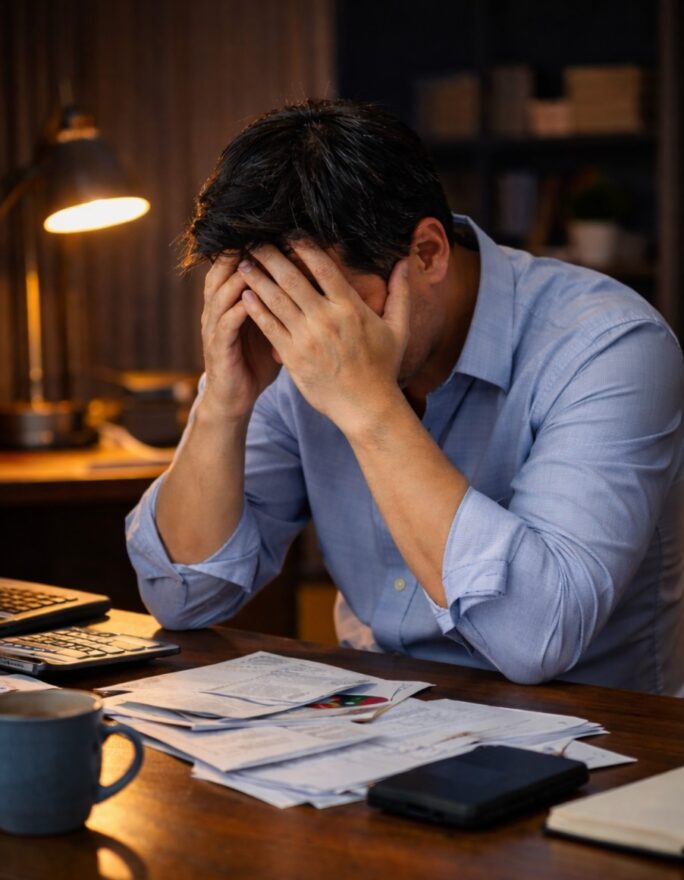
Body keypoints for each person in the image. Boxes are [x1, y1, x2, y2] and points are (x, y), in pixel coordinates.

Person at [126, 98, 684, 696]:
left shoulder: (610, 345)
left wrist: (368, 408)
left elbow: (538, 637)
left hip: (603, 742)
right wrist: (223, 402)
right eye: (276, 306)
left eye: (329, 310)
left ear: (427, 253)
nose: (303, 347)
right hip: (379, 719)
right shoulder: (288, 347)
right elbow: (182, 595)